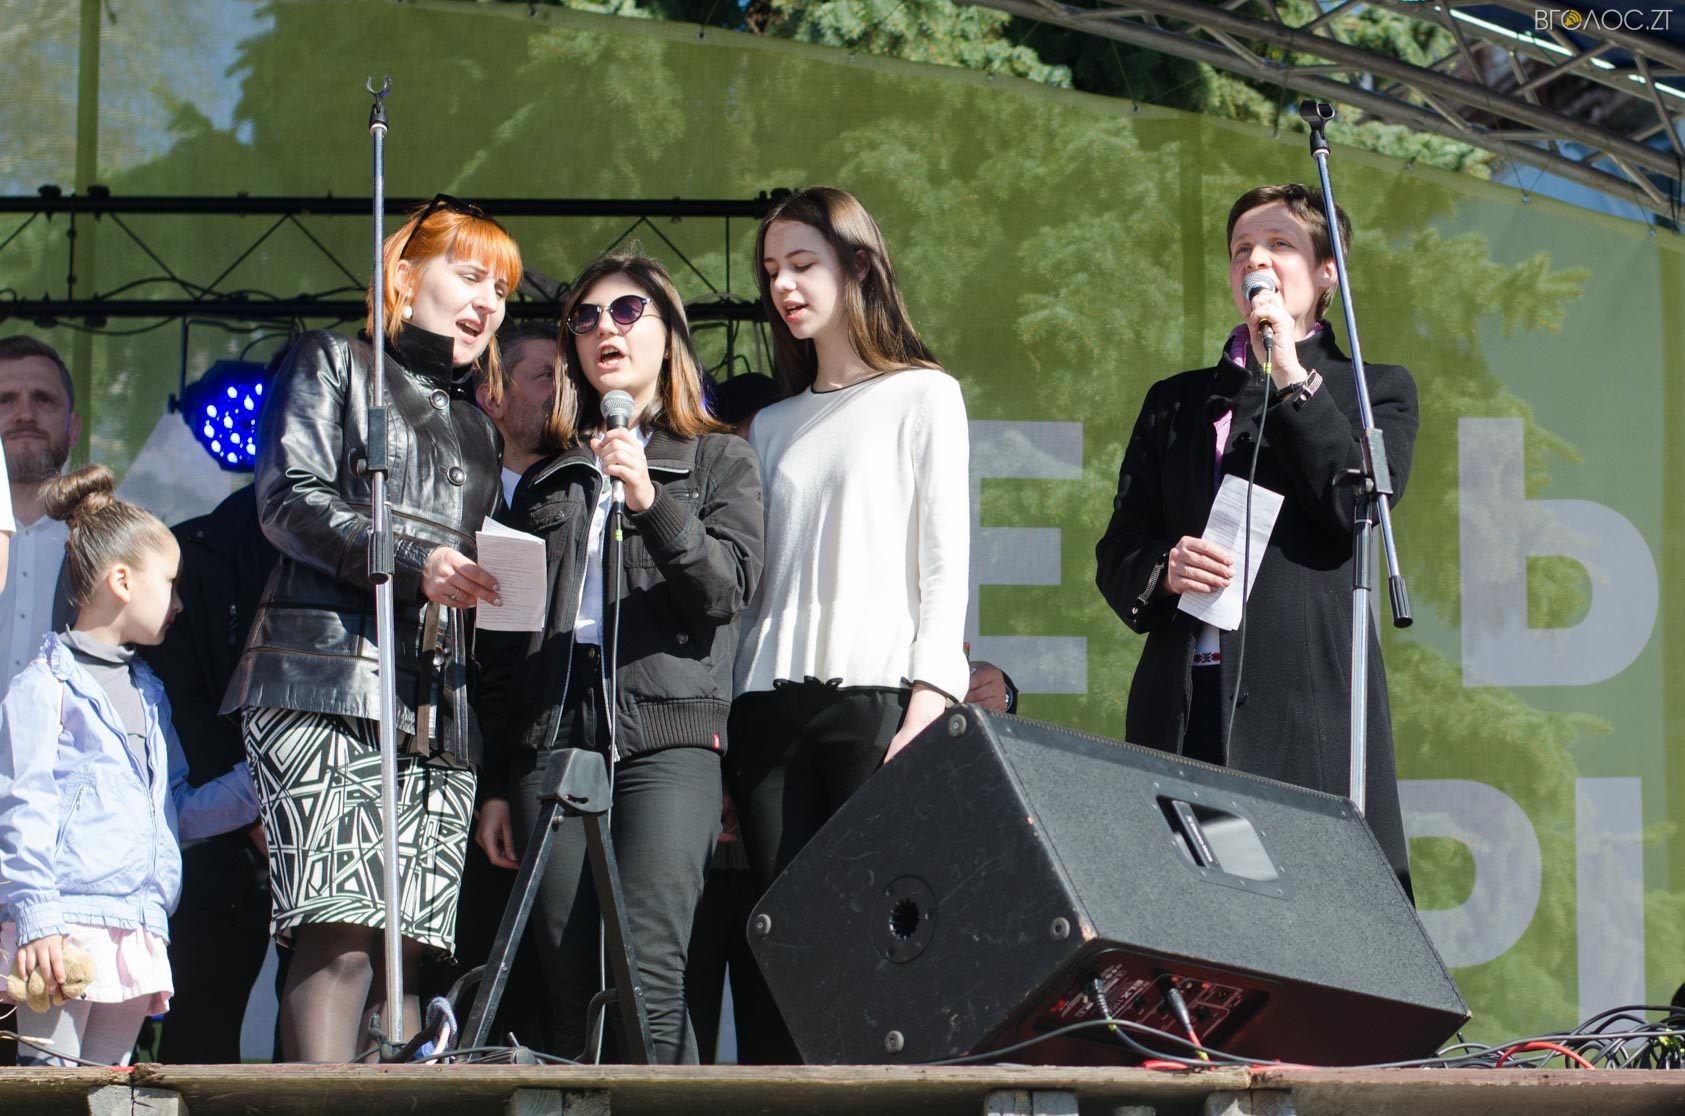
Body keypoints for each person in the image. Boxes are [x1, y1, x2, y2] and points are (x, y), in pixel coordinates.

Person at [222, 194, 519, 1062]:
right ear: (403, 276)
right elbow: (287, 500)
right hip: (324, 677)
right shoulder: (333, 361)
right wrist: (412, 558)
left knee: (404, 954)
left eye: (501, 290)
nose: (487, 302)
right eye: (470, 276)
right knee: (343, 932)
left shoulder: (479, 428)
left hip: (435, 702)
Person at [474, 251, 763, 1064]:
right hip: (549, 738)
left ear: (669, 336)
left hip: (667, 737)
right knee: (568, 988)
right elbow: (502, 643)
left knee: (648, 977)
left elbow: (723, 593)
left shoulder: (719, 461)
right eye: (587, 317)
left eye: (628, 311)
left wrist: (649, 499)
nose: (606, 328)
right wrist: (497, 778)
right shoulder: (544, 481)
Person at [1095, 182, 1418, 888]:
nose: (1256, 261)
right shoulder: (1177, 402)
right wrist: (1165, 568)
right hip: (1187, 706)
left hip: (1305, 712)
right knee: (1194, 913)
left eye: (1278, 245)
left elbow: (1353, 506)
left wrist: (1292, 376)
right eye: (1242, 248)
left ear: (1327, 272)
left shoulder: (1374, 392)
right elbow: (1118, 549)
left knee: (1306, 915)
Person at [726, 186, 970, 1061]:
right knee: (784, 943)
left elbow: (944, 561)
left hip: (876, 699)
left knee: (882, 943)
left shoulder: (924, 395)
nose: (783, 287)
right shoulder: (769, 425)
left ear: (857, 266)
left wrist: (930, 698)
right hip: (763, 704)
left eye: (802, 264)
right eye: (771, 271)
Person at [0, 465, 258, 1067]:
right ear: (121, 580)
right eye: (169, 583)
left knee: (107, 1088)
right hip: (62, 927)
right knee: (50, 1084)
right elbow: (21, 804)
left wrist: (257, 785)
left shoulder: (150, 694)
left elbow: (175, 811)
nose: (180, 603)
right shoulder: (42, 687)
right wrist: (36, 915)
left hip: (136, 927)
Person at [140, 484, 279, 1064]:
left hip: (283, 817)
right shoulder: (203, 548)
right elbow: (185, 706)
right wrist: (261, 807)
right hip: (218, 848)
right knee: (198, 1030)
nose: (172, 604)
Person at [0, 335, 83, 687]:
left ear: (73, 427)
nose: (25, 414)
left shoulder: (108, 542)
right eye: (4, 399)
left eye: (43, 399)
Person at [478, 321, 560, 504]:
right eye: (547, 375)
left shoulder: (595, 495)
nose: (564, 391)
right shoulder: (462, 500)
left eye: (567, 378)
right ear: (494, 399)